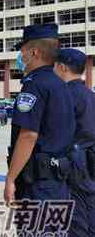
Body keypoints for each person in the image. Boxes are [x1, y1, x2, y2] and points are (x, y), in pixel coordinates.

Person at [4, 24, 76, 234]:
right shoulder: (59, 84)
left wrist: (10, 179)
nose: (20, 55)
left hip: (38, 185)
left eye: (22, 50)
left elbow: (28, 135)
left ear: (33, 52)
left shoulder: (34, 84)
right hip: (58, 182)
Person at [53, 49, 95, 236]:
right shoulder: (90, 94)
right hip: (90, 162)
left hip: (72, 165)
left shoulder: (61, 96)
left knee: (73, 218)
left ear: (62, 67)